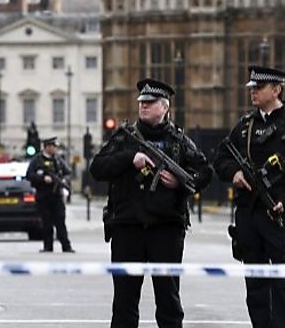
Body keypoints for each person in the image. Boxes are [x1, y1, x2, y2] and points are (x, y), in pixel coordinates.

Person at [89, 78, 212, 328]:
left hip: (166, 228)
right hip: (128, 226)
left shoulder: (178, 141)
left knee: (168, 301)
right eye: (141, 102)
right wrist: (129, 158)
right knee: (124, 302)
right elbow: (98, 168)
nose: (143, 106)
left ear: (165, 107)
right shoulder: (124, 138)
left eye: (150, 102)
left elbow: (204, 172)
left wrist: (179, 183)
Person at [213, 66, 285, 328]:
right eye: (252, 88)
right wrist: (235, 172)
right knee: (256, 286)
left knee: (284, 285)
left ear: (276, 90)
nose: (253, 92)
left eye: (258, 88)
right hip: (249, 215)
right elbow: (221, 158)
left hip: (280, 214)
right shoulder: (245, 126)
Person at [26, 136, 74, 253]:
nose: (54, 149)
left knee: (60, 221)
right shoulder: (37, 160)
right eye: (53, 146)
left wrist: (64, 180)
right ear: (47, 147)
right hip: (43, 195)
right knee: (46, 222)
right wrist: (42, 178)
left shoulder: (58, 160)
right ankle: (48, 246)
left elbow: (68, 173)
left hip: (56, 195)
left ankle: (66, 246)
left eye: (55, 147)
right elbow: (29, 175)